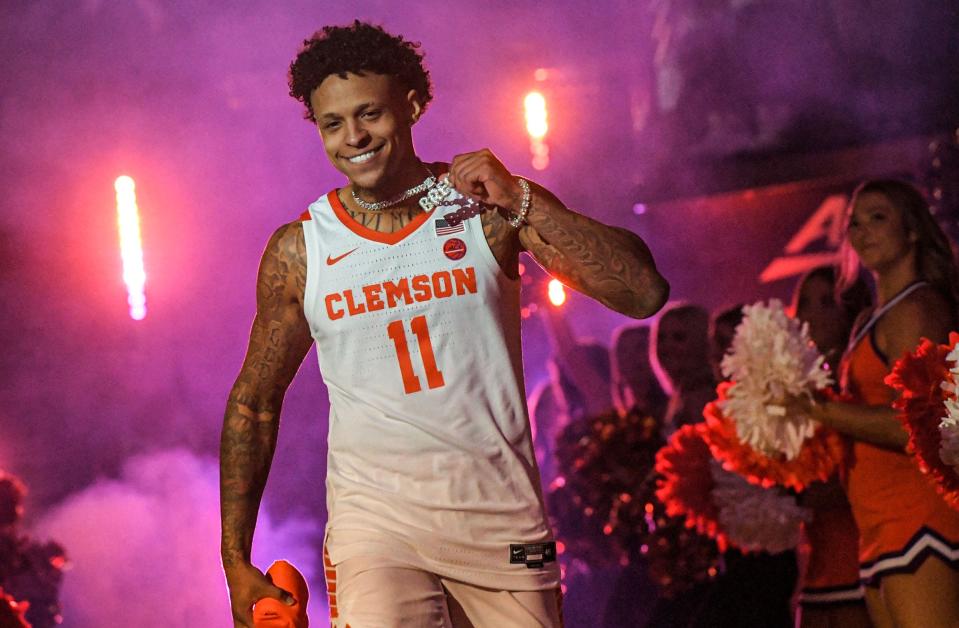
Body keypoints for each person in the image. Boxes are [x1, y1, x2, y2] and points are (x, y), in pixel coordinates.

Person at [219, 21, 669, 628]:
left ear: (412, 105)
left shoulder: (487, 207)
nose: (353, 136)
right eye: (333, 123)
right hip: (375, 531)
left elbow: (643, 293)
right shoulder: (301, 249)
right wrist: (233, 556)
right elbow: (254, 404)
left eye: (369, 114)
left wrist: (521, 198)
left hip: (501, 521)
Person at [791, 180, 959, 627]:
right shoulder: (869, 318)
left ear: (913, 231)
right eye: (854, 223)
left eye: (878, 217)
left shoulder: (918, 308)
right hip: (878, 530)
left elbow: (919, 429)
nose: (862, 231)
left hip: (921, 523)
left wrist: (811, 406)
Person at [790, 266, 872, 628]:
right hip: (812, 573)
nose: (810, 314)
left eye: (826, 302)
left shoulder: (860, 382)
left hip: (859, 567)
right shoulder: (793, 384)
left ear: (850, 309)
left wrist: (795, 493)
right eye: (804, 302)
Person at [651, 303, 715, 436]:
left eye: (679, 338)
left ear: (701, 340)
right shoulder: (682, 392)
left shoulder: (701, 393)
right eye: (661, 338)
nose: (667, 346)